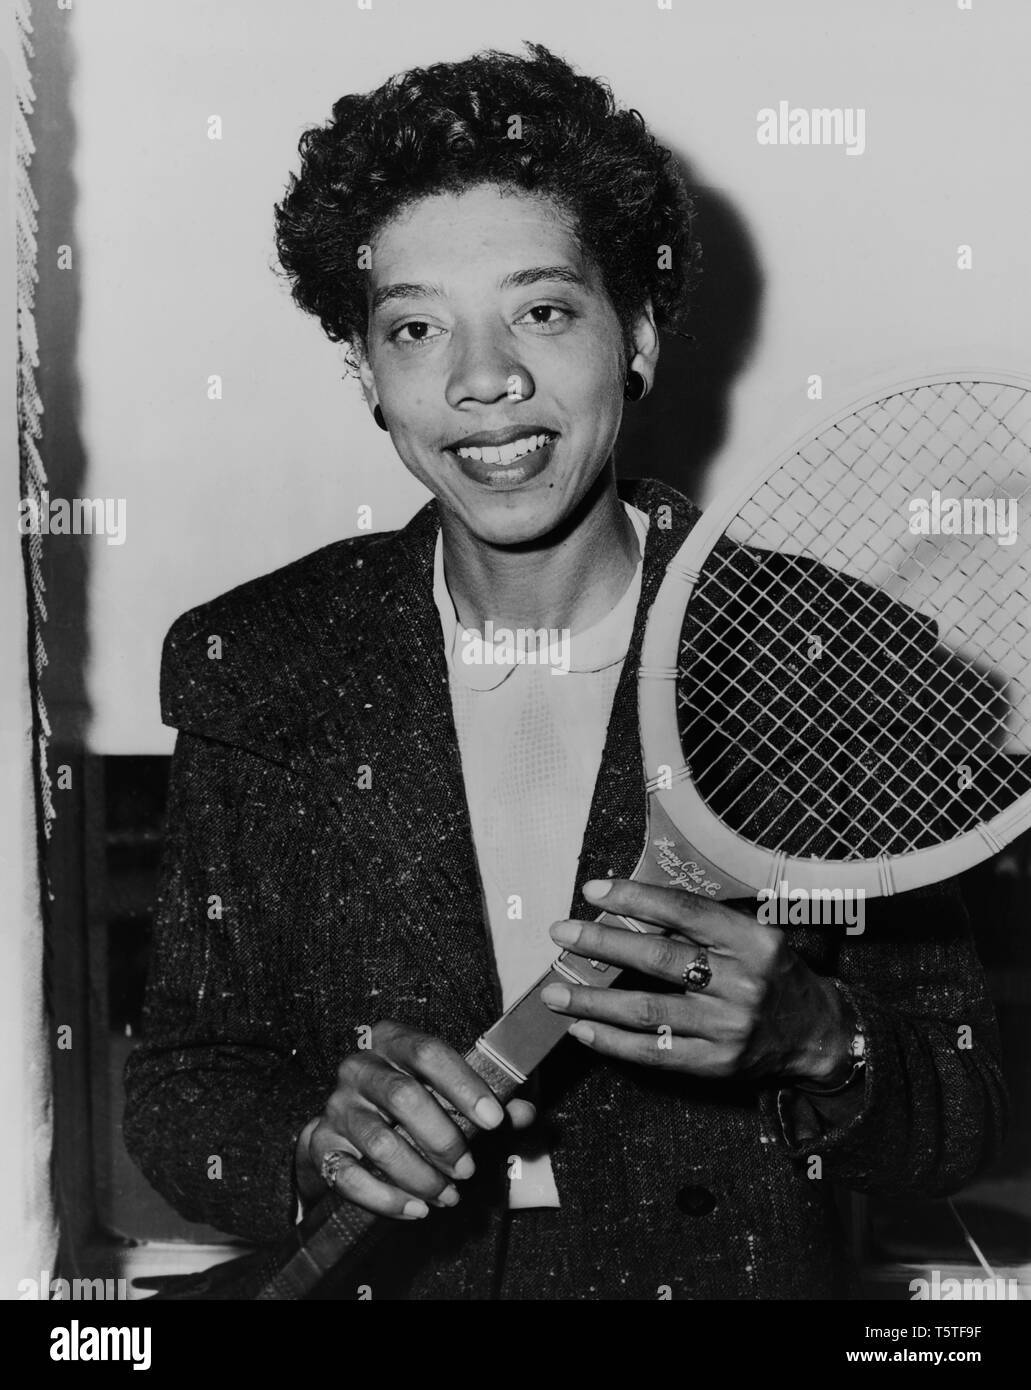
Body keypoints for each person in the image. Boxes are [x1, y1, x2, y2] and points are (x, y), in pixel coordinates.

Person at [123, 43, 1005, 1300]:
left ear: (636, 333)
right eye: (416, 327)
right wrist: (312, 1145)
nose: (484, 381)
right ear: (365, 374)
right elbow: (186, 1081)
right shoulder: (264, 660)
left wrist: (818, 1040)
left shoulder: (814, 655)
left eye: (542, 310)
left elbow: (961, 1108)